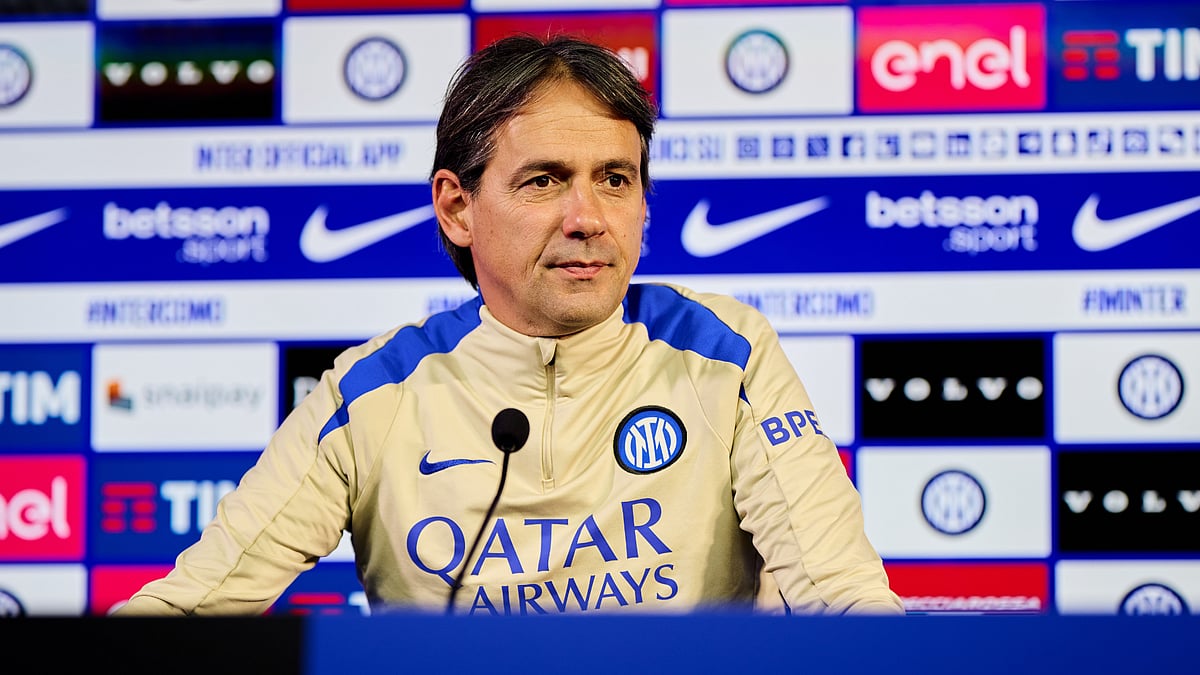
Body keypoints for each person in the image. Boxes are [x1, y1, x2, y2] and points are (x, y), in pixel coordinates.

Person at [115, 34, 904, 617]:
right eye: (544, 180)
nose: (589, 218)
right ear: (457, 207)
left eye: (615, 180)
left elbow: (842, 595)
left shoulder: (725, 352)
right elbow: (191, 611)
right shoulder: (373, 391)